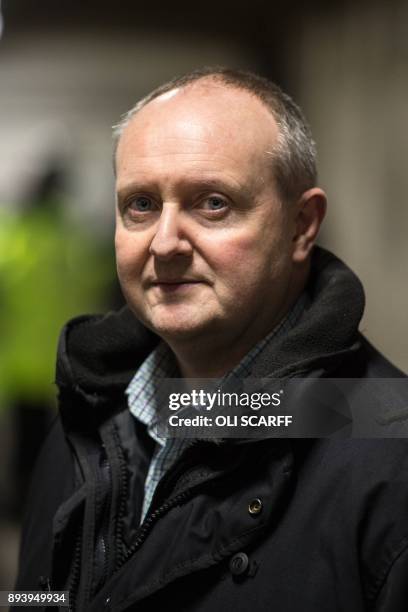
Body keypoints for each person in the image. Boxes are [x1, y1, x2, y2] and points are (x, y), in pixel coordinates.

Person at [14, 67, 408, 611]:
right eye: (141, 206)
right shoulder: (85, 418)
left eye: (213, 203)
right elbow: (37, 596)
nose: (166, 242)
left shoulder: (390, 457)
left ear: (302, 226)